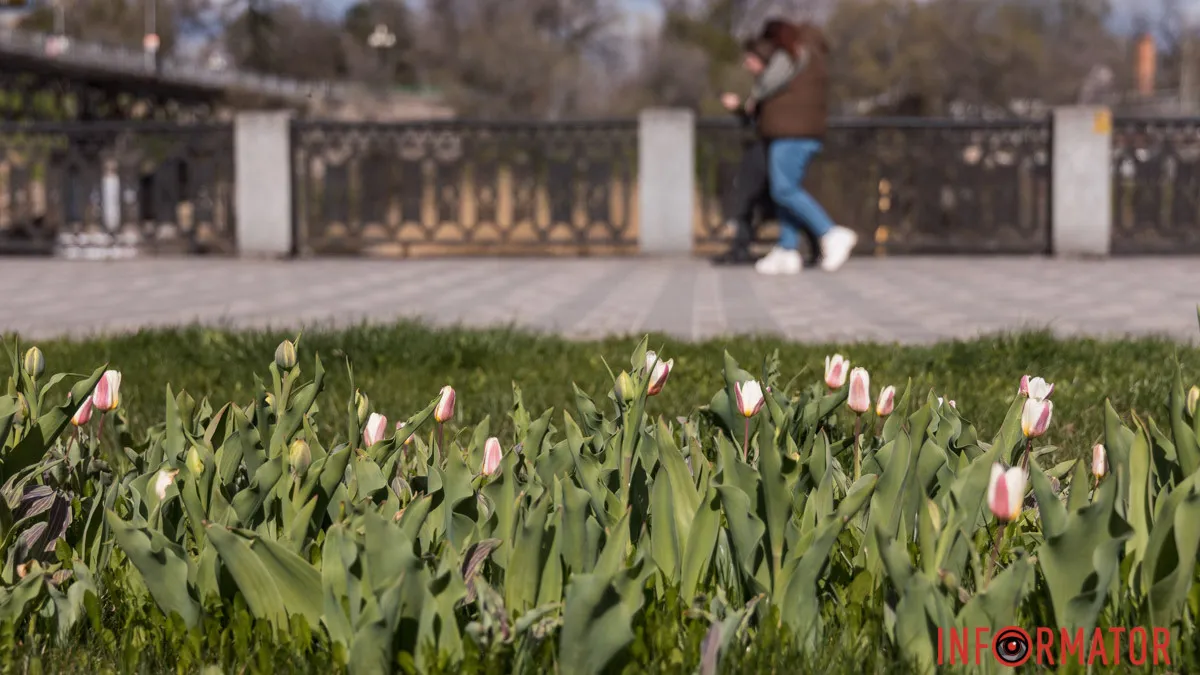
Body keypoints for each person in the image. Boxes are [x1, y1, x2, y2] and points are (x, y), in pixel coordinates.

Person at [748, 19, 858, 275]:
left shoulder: (791, 53)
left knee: (784, 190)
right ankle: (787, 250)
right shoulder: (814, 54)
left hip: (790, 133)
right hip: (805, 132)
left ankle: (830, 232)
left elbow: (768, 83)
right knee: (787, 190)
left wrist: (753, 96)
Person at [712, 41, 820, 267]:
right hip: (765, 145)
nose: (746, 65)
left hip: (768, 146)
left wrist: (743, 108)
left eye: (750, 60)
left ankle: (821, 235)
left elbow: (764, 119)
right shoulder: (766, 84)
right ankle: (807, 243)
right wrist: (741, 109)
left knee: (765, 195)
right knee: (770, 198)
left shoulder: (772, 85)